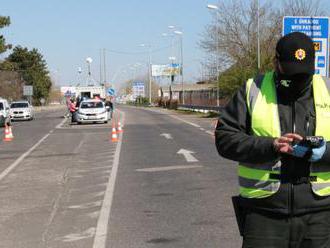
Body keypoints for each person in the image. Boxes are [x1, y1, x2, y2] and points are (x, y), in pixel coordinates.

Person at [215, 32, 330, 247]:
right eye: (290, 73)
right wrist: (271, 146)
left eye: (303, 74)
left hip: (320, 215)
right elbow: (224, 138)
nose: (296, 79)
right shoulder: (253, 89)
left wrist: (322, 151)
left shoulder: (327, 89)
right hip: (264, 213)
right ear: (276, 63)